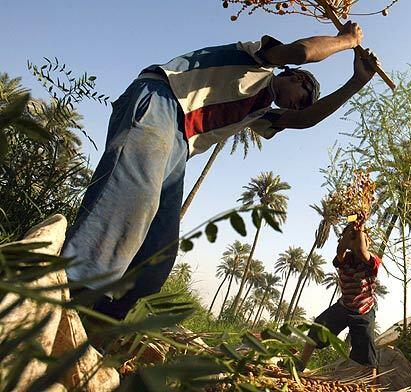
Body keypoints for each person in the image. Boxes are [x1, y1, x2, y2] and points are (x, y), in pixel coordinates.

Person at [62, 23, 379, 320]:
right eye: (301, 99)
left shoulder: (259, 112)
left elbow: (304, 120)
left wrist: (356, 82)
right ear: (294, 77)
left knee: (156, 257)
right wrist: (347, 41)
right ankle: (64, 299)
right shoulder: (258, 59)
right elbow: (301, 52)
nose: (296, 107)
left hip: (180, 146)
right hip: (164, 100)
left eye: (300, 106)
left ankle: (98, 323)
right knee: (129, 200)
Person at [298, 224, 381, 376]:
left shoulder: (372, 261)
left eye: (362, 239)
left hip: (364, 311)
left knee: (367, 349)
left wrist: (360, 230)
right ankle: (300, 365)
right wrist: (351, 231)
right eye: (353, 239)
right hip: (344, 306)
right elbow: (340, 250)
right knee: (318, 327)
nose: (358, 241)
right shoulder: (343, 259)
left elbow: (363, 252)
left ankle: (373, 384)